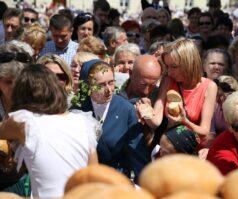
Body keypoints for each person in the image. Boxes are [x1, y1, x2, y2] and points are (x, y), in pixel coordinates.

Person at [0, 64, 99, 198]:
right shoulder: (83, 123)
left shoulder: (24, 121)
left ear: (20, 94)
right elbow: (95, 175)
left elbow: (2, 130)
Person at [73, 59, 150, 181]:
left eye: (111, 83)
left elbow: (137, 154)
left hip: (116, 178)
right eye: (101, 85)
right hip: (84, 178)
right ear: (87, 85)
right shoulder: (77, 109)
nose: (108, 90)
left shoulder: (126, 110)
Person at [138, 38, 217, 142]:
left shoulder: (209, 86)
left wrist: (184, 121)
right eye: (167, 66)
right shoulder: (168, 80)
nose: (169, 72)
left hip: (191, 149)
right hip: (167, 147)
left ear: (189, 63)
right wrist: (145, 109)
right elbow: (156, 121)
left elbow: (204, 132)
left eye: (174, 66)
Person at [0, 43, 32, 196]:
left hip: (25, 181)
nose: (13, 87)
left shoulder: (36, 104)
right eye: (7, 81)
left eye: (17, 81)